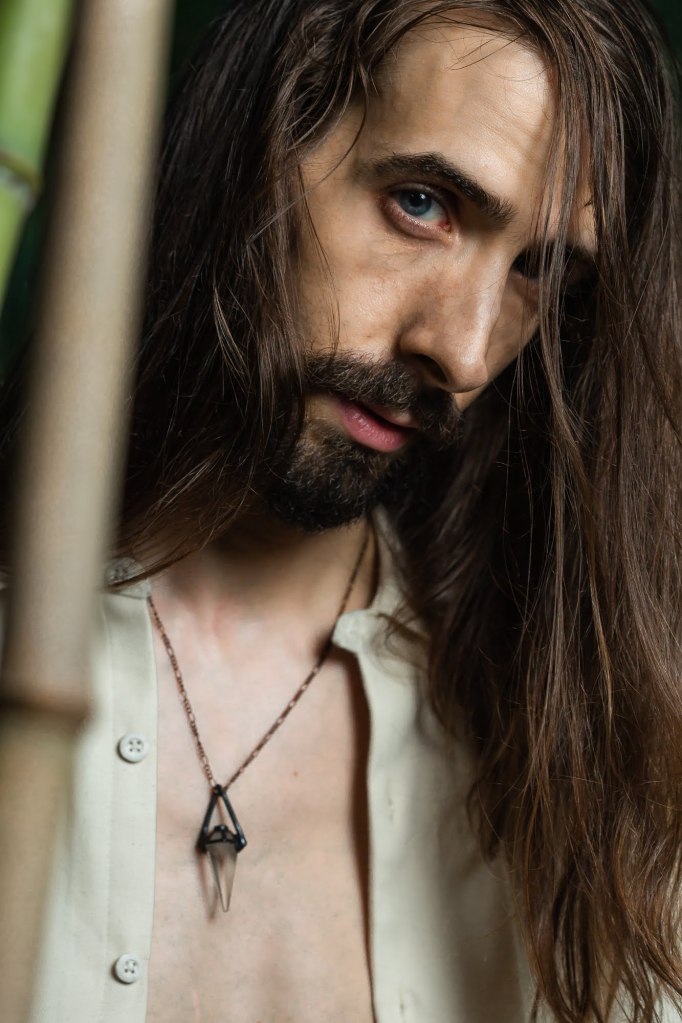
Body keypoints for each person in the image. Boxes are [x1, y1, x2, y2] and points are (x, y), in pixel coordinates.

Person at [13, 0, 681, 1020]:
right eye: (422, 203)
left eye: (538, 270)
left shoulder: (592, 774)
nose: (463, 353)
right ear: (259, 143)